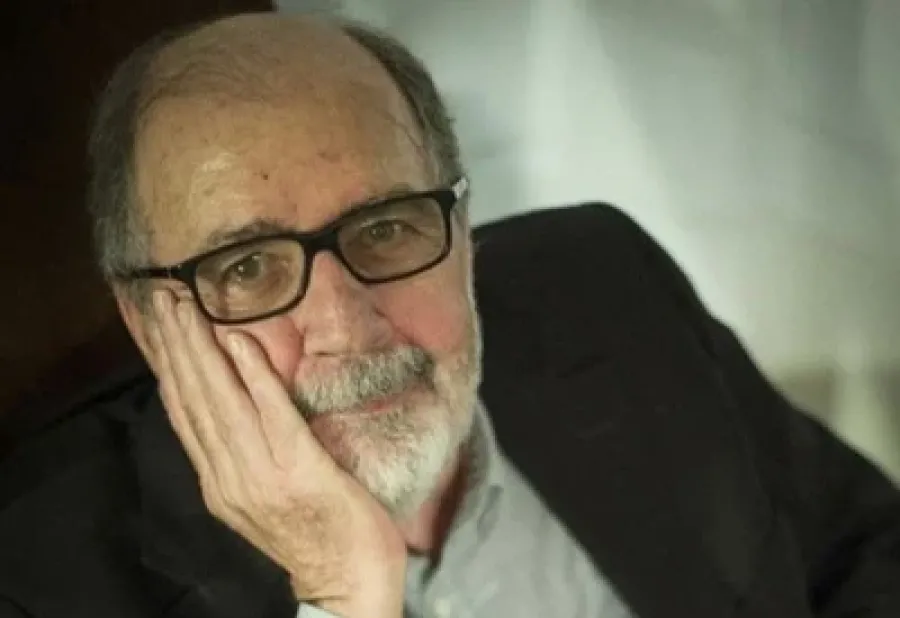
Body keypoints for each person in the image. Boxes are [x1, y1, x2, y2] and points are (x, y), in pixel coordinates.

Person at [0, 12, 898, 618]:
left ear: (463, 231)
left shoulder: (605, 282)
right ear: (150, 322)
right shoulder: (37, 576)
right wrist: (343, 595)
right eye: (247, 267)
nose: (346, 325)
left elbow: (859, 550)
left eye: (386, 227)